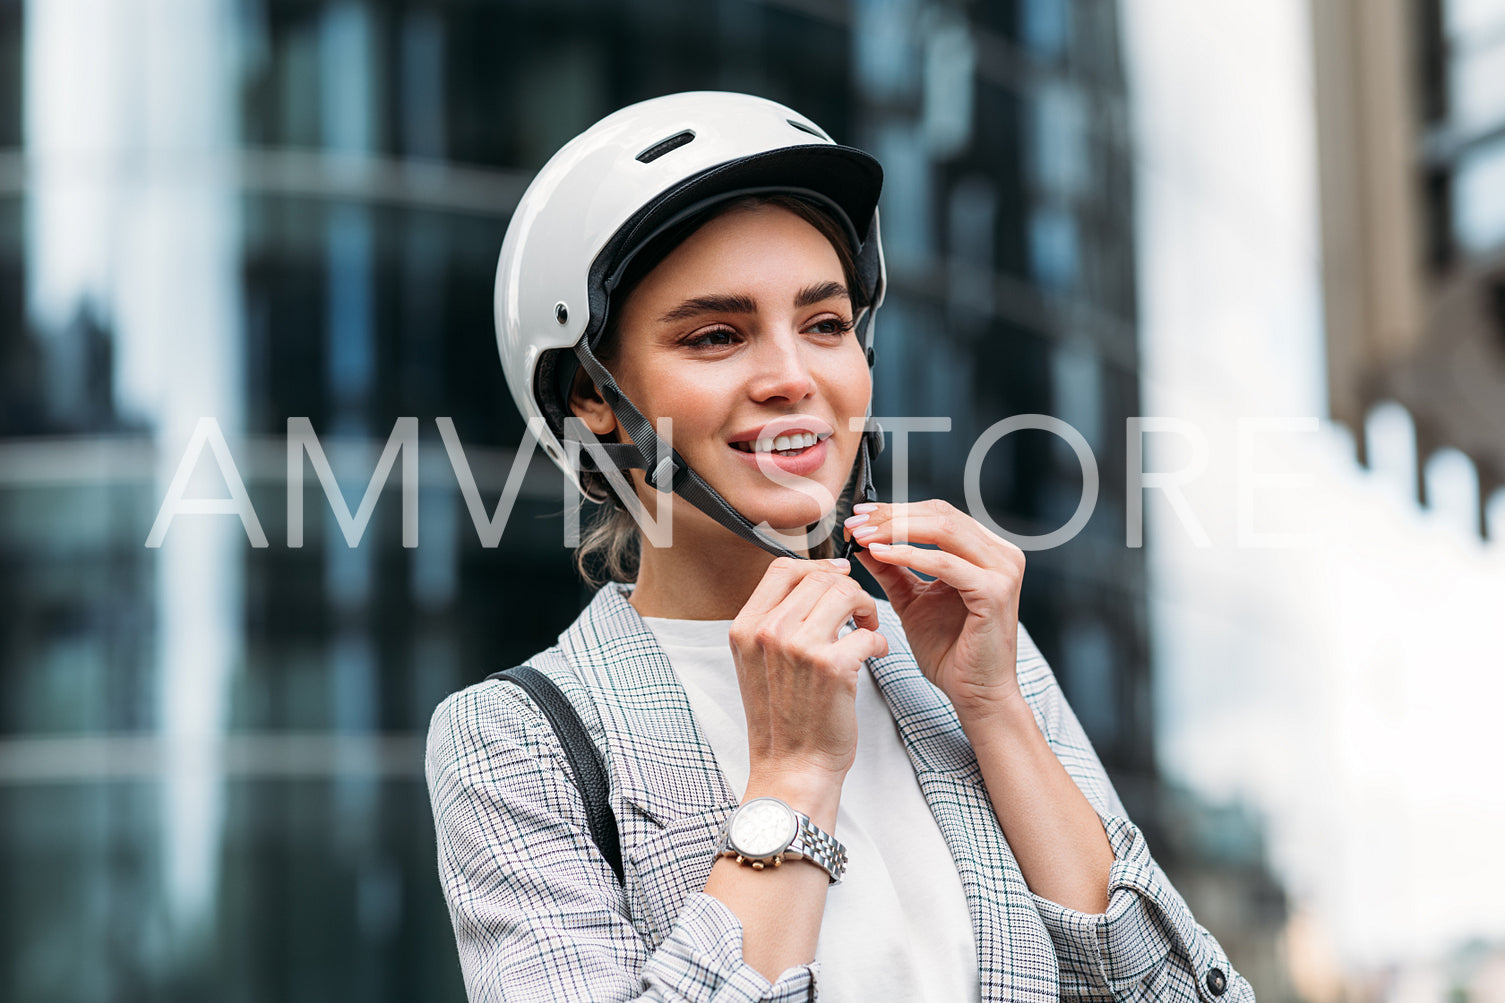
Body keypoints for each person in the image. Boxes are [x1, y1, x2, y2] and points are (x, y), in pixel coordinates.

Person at [425, 91, 1253, 1003]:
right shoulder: (516, 739)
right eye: (715, 336)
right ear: (590, 393)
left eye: (824, 324)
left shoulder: (967, 661)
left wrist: (994, 708)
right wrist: (792, 777)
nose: (792, 376)